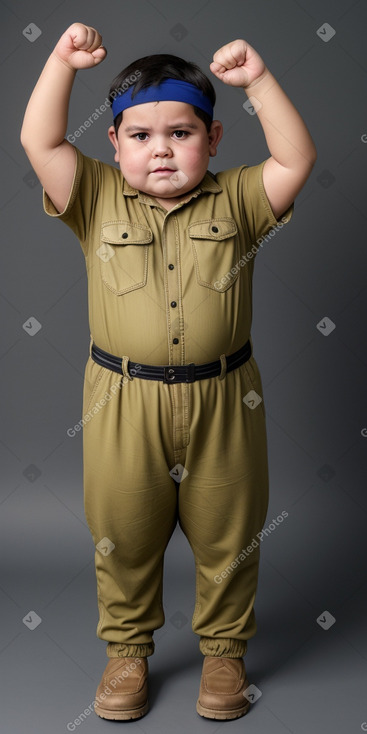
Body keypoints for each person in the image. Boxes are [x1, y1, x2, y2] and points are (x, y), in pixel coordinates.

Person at [20, 22, 317, 722]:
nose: (161, 150)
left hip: (224, 398)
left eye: (181, 134)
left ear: (212, 141)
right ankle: (126, 653)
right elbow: (40, 141)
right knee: (121, 530)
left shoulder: (238, 200)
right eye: (142, 135)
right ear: (113, 142)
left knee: (228, 532)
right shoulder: (93, 197)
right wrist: (62, 62)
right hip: (122, 399)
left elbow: (296, 158)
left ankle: (223, 653)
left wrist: (259, 82)